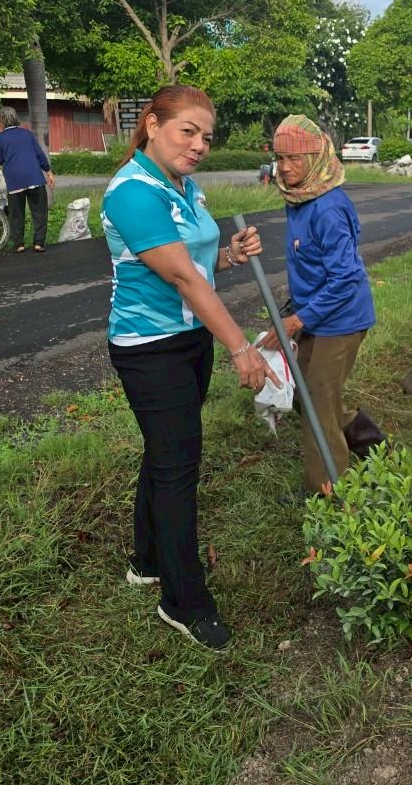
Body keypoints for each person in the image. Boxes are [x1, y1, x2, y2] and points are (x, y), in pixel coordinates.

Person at [101, 84, 277, 651]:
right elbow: (179, 276)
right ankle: (183, 600)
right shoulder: (131, 192)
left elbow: (198, 262)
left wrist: (232, 255)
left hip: (187, 339)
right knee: (178, 467)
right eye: (188, 132)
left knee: (165, 454)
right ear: (152, 124)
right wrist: (240, 347)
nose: (200, 144)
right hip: (149, 348)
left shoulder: (183, 185)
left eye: (206, 136)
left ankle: (147, 561)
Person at [258, 115, 378, 494]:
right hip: (314, 315)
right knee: (306, 396)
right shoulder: (299, 198)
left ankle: (329, 494)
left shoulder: (326, 207)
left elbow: (345, 279)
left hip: (340, 321)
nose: (286, 168)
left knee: (316, 409)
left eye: (295, 159)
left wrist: (297, 322)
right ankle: (368, 440)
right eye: (280, 158)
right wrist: (290, 314)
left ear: (317, 157)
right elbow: (311, 271)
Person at [0, 107, 54, 252]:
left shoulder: (0, 138)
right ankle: (39, 243)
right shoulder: (27, 134)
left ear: (2, 120)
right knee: (40, 212)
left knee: (16, 214)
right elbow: (39, 154)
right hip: (35, 178)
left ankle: (19, 244)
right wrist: (49, 172)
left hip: (15, 181)